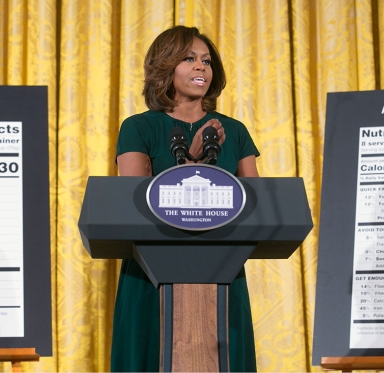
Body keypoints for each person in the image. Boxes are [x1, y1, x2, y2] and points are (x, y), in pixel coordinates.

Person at [112, 25, 260, 372]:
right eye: (189, 59)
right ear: (165, 66)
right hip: (150, 274)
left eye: (206, 61)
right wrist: (191, 164)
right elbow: (133, 202)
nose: (201, 67)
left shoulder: (233, 130)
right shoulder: (138, 127)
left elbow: (257, 206)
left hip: (222, 269)